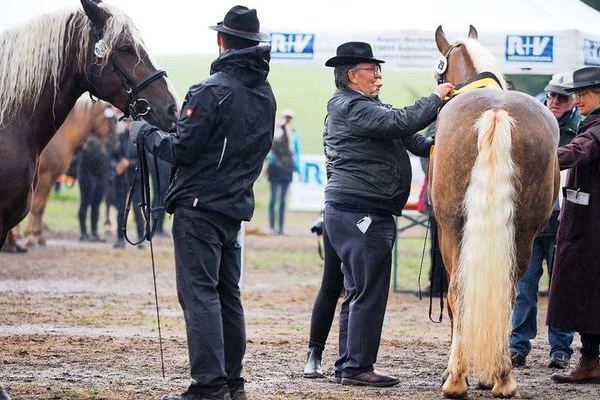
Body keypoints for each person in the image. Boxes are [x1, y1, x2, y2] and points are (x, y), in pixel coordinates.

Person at [128, 6, 275, 400]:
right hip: (233, 207)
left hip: (199, 208)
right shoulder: (265, 94)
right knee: (228, 294)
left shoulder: (211, 89)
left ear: (221, 40)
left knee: (200, 295)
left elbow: (182, 150)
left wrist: (143, 133)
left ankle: (208, 387)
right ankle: (232, 383)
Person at [322, 41, 453, 387]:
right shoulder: (350, 106)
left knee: (358, 291)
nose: (379, 75)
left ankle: (349, 365)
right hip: (360, 212)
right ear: (352, 75)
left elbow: (415, 139)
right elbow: (401, 121)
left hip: (360, 211)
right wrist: (435, 98)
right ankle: (357, 367)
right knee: (368, 291)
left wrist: (447, 129)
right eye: (371, 69)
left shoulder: (367, 107)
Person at [509, 72, 581, 369]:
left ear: (573, 100)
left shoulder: (579, 129)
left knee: (561, 288)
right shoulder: (533, 125)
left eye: (561, 97)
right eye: (551, 95)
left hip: (564, 218)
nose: (554, 101)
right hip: (533, 220)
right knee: (525, 288)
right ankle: (517, 346)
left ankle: (560, 348)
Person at [547, 66, 600, 384]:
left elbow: (581, 149)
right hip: (587, 224)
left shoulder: (596, 128)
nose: (576, 100)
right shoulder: (591, 122)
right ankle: (590, 359)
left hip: (592, 228)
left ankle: (590, 361)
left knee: (587, 291)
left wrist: (537, 157)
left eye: (582, 94)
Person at [303, 215, 344, 379]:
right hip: (337, 211)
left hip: (368, 215)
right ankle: (314, 352)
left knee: (360, 290)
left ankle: (352, 359)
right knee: (330, 284)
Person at [111, 119, 145, 249]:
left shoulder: (140, 141)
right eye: (126, 121)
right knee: (121, 210)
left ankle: (141, 238)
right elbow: (112, 158)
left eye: (130, 121)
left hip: (136, 179)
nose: (128, 123)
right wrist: (116, 165)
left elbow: (143, 161)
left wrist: (128, 163)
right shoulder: (119, 138)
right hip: (121, 179)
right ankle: (120, 238)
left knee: (138, 208)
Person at [266, 109, 301, 235]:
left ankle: (280, 227)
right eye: (286, 117)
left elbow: (296, 152)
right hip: (276, 169)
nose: (287, 120)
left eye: (289, 118)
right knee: (274, 198)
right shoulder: (278, 131)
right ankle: (272, 227)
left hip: (286, 169)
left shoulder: (294, 133)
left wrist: (298, 169)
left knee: (282, 199)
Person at [77, 133, 109, 242]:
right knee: (85, 203)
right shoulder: (87, 137)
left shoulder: (105, 139)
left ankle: (94, 232)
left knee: (96, 205)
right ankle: (83, 232)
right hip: (87, 175)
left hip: (100, 175)